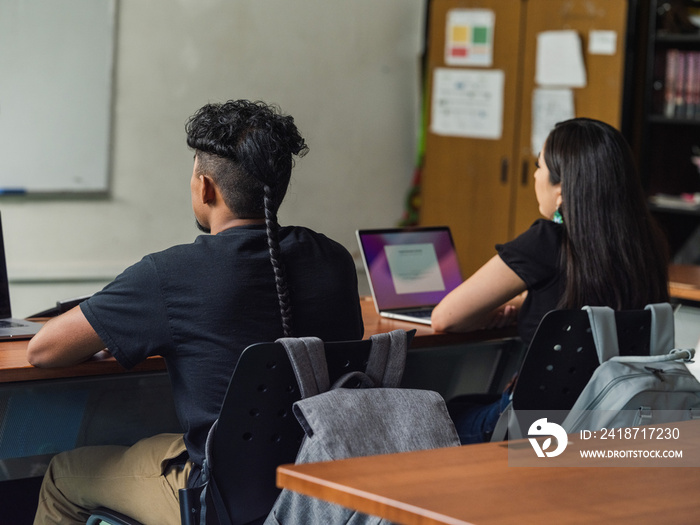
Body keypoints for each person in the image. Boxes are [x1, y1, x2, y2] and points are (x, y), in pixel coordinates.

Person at [26, 100, 364, 524]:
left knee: (62, 474)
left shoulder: (170, 274)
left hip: (219, 499)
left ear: (206, 187)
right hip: (326, 491)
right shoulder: (333, 259)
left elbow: (43, 351)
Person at [431, 117, 669, 444]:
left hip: (534, 427)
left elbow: (445, 318)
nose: (534, 175)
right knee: (465, 405)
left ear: (561, 188)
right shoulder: (646, 244)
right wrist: (523, 305)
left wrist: (491, 312)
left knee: (435, 414)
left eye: (539, 166)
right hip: (610, 421)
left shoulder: (547, 241)